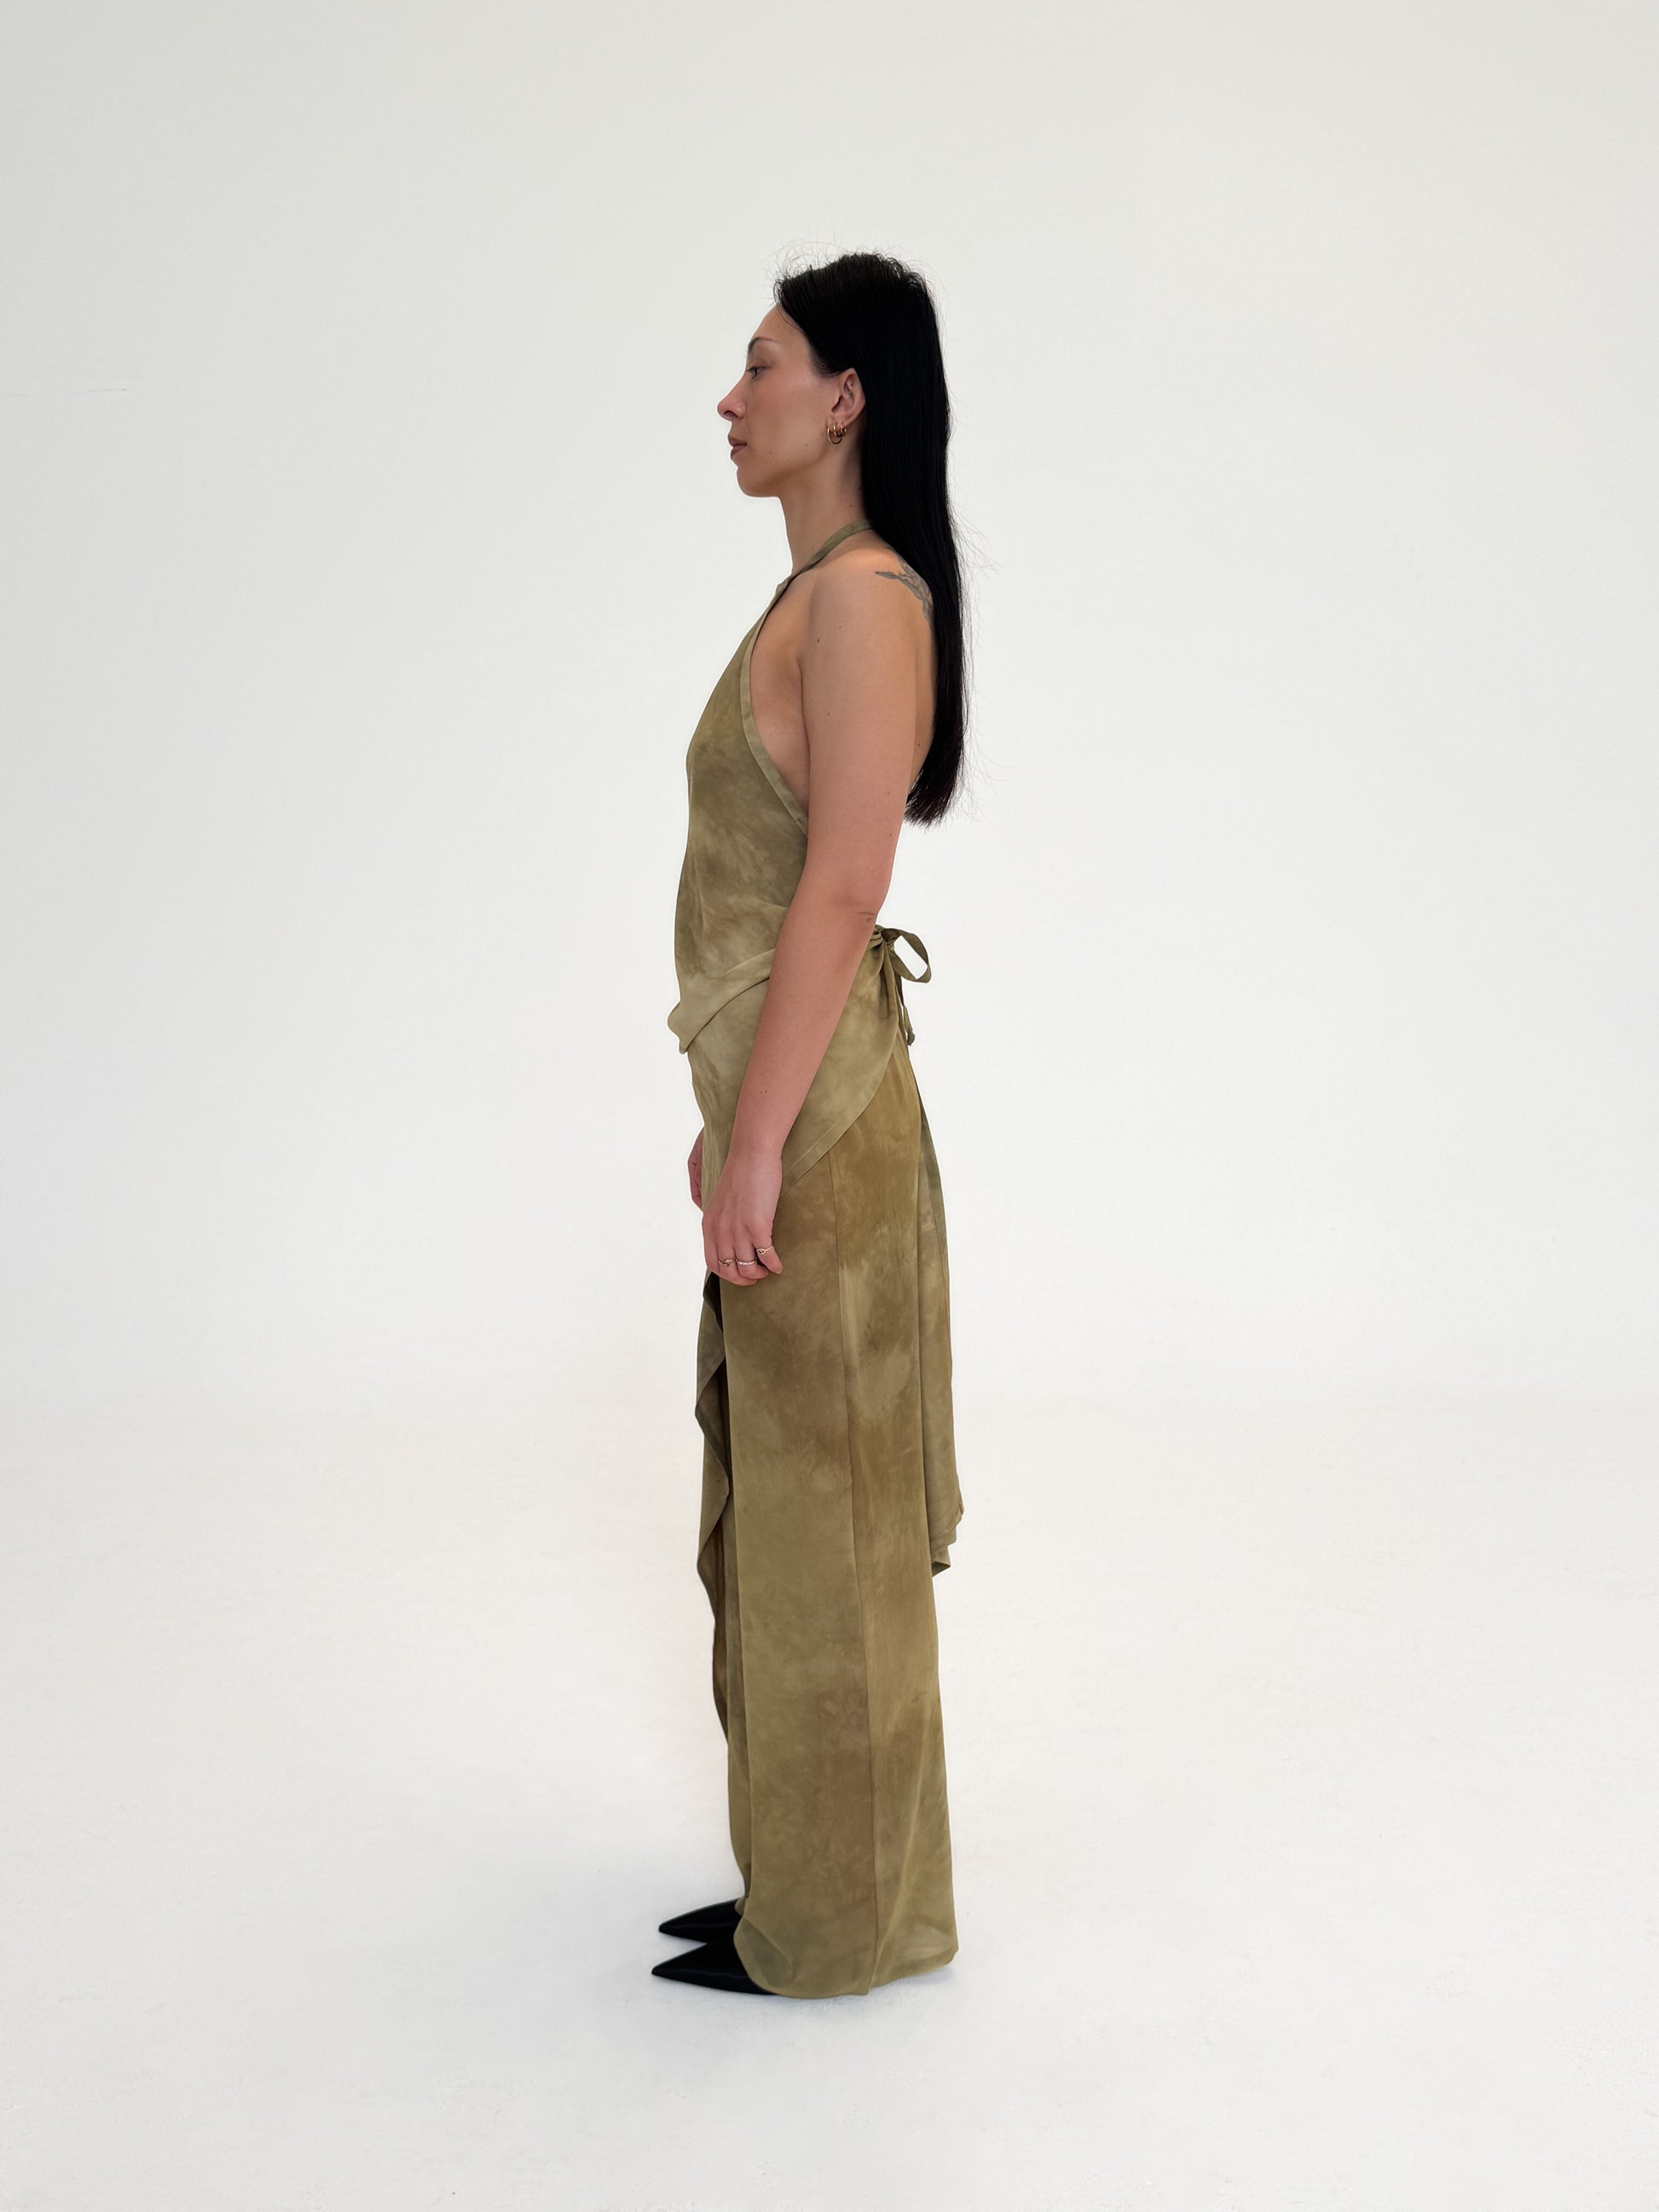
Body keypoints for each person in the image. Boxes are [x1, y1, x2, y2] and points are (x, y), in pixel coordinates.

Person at [655, 251, 972, 1999]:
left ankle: (841, 1931)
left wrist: (764, 1137)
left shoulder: (862, 600)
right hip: (795, 1111)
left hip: (830, 1123)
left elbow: (843, 886)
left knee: (828, 1527)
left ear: (844, 397)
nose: (731, 397)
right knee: (786, 1516)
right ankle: (809, 1885)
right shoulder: (819, 599)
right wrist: (732, 1127)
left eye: (762, 363)